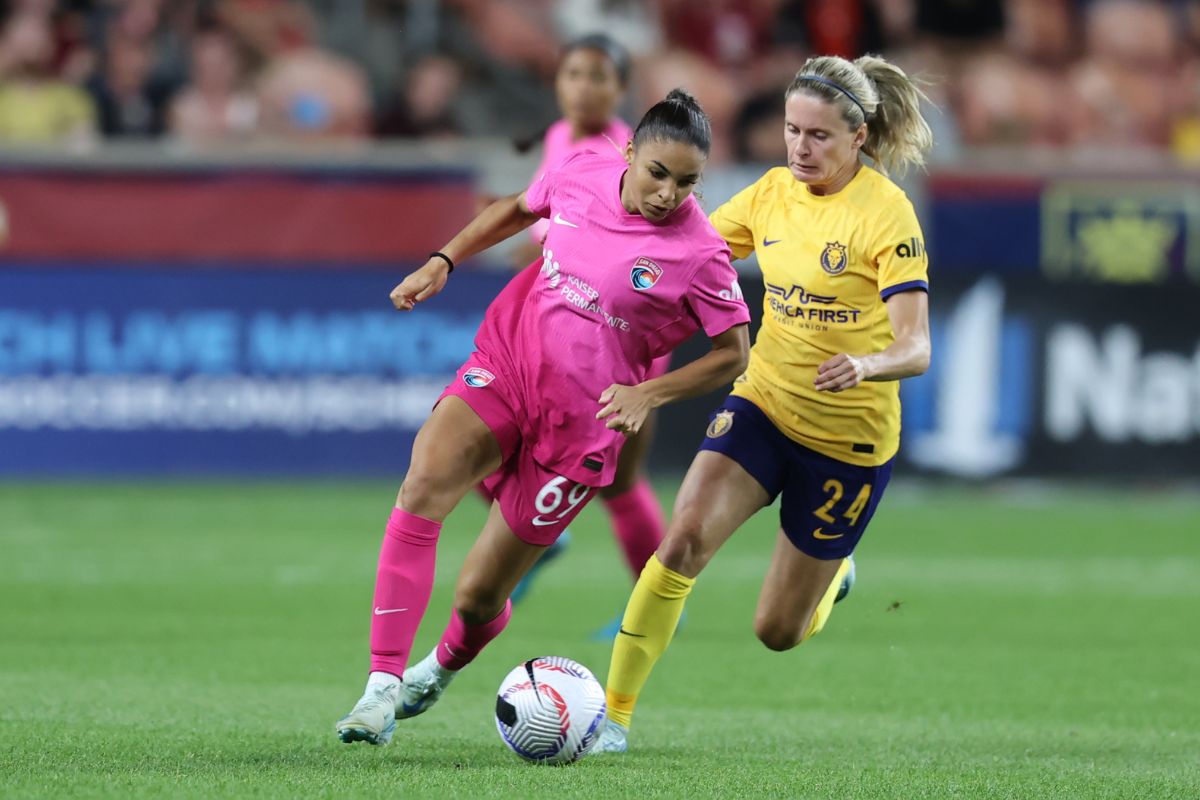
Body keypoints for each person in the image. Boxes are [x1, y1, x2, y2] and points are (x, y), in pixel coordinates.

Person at [335, 88, 752, 747]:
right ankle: (380, 687)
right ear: (629, 153)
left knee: (477, 599)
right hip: (507, 366)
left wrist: (652, 393)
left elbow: (734, 354)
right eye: (659, 173)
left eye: (688, 181)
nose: (670, 193)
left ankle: (436, 670)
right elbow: (519, 208)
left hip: (581, 432)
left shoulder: (700, 253)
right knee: (424, 483)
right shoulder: (581, 170)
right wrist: (444, 259)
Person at [594, 53, 934, 754]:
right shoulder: (771, 194)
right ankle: (613, 718)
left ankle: (834, 577)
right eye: (791, 131)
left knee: (777, 632)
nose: (800, 149)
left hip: (850, 442)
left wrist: (867, 363)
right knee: (682, 539)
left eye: (819, 137)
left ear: (858, 138)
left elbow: (917, 347)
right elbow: (687, 257)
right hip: (765, 405)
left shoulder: (886, 215)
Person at [504, 35, 673, 639]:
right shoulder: (559, 139)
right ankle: (539, 537)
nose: (583, 86)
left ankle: (651, 610)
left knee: (621, 484)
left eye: (598, 76)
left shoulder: (626, 154)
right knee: (483, 430)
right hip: (564, 329)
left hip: (620, 336)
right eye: (573, 72)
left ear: (620, 88)